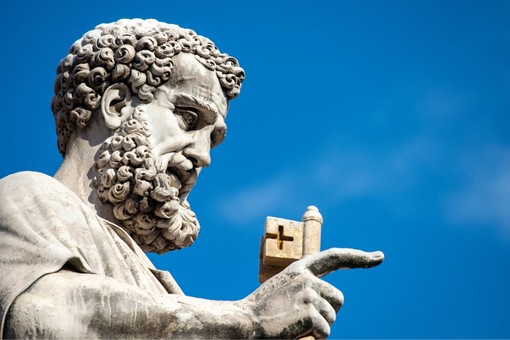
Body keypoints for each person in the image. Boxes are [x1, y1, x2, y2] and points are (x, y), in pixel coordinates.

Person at [0, 19, 383, 338]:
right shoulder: (27, 197)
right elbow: (41, 317)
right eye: (188, 119)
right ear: (116, 105)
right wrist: (246, 319)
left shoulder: (157, 287)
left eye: (213, 138)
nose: (204, 155)